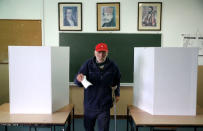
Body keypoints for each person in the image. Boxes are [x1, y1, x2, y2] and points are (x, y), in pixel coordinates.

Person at [74, 43, 121, 131]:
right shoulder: (88, 64)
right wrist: (78, 79)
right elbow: (78, 82)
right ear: (95, 52)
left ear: (107, 52)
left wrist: (117, 93)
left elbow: (117, 80)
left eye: (104, 52)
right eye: (99, 52)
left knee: (103, 129)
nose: (101, 55)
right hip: (90, 104)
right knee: (88, 128)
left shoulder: (113, 66)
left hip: (104, 105)